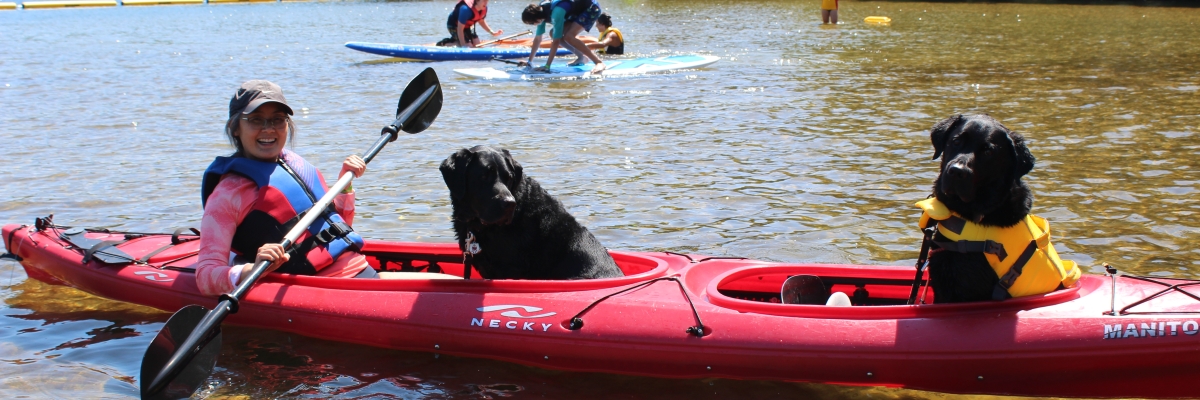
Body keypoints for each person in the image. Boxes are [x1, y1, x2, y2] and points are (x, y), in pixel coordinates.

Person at [195, 80, 377, 296]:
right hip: (319, 291)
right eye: (255, 120)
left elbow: (339, 226)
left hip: (361, 271)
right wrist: (252, 269)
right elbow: (205, 276)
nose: (269, 129)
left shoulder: (294, 163)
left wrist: (344, 187)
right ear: (235, 128)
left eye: (278, 120)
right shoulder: (228, 194)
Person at [520, 0, 606, 73]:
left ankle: (598, 62)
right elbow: (538, 39)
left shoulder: (556, 13)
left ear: (536, 18)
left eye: (531, 23)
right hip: (577, 11)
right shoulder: (540, 13)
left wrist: (547, 66)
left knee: (569, 36)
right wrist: (530, 62)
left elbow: (556, 42)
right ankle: (582, 57)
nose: (532, 25)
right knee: (553, 33)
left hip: (591, 8)